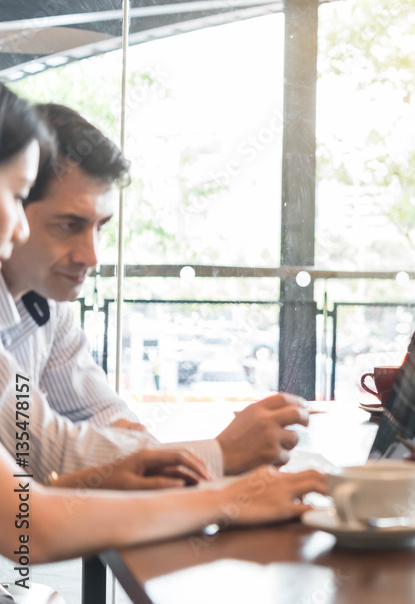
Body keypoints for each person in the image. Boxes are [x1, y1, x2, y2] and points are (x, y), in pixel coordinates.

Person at [0, 83, 327, 564]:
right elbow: (32, 517)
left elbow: (30, 496)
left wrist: (156, 467)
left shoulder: (50, 305)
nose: (92, 255)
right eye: (15, 194)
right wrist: (220, 473)